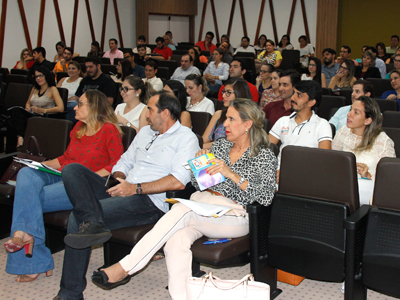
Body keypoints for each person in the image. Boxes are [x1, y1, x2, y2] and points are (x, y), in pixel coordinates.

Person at [89, 98, 277, 300]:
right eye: (225, 118)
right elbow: (198, 184)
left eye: (231, 119)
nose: (225, 124)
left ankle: (126, 267)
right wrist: (201, 165)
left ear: (248, 124)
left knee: (181, 210)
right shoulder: (221, 147)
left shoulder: (264, 155)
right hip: (203, 207)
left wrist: (232, 175)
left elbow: (265, 197)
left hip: (235, 214)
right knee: (175, 241)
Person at [53, 91, 200, 300]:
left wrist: (135, 188)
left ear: (165, 113)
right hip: (121, 188)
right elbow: (123, 161)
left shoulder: (186, 138)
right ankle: (93, 220)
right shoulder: (145, 133)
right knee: (72, 170)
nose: (146, 115)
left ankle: (70, 294)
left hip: (149, 201)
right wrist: (119, 180)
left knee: (78, 218)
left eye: (149, 109)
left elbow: (177, 180)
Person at [4, 90, 124, 283]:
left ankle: (27, 245)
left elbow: (117, 166)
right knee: (27, 174)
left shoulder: (109, 129)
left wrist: (86, 175)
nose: (75, 107)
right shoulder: (78, 127)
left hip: (84, 186)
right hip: (61, 175)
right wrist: (40, 166)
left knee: (28, 198)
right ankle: (24, 234)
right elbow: (65, 159)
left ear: (93, 107)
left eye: (81, 104)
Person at [332, 96, 395, 205]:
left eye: (356, 112)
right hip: (341, 187)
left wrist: (368, 175)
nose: (349, 114)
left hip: (368, 193)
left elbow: (390, 179)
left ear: (368, 120)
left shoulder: (383, 141)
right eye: (350, 109)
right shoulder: (343, 132)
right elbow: (331, 161)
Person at [269, 80, 332, 181]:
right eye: (294, 93)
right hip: (277, 174)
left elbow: (323, 160)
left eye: (299, 95)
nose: (293, 98)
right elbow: (266, 147)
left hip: (306, 177)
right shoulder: (283, 121)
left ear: (311, 102)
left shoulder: (322, 125)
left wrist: (289, 172)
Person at [8, 67, 64, 149]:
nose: (38, 78)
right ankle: (17, 142)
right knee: (14, 113)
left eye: (41, 76)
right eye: (36, 77)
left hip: (44, 116)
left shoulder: (52, 89)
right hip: (32, 114)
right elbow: (28, 103)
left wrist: (42, 110)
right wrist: (27, 108)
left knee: (15, 122)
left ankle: (20, 141)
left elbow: (60, 108)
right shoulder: (35, 88)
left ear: (46, 76)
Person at [202, 78, 251, 149]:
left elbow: (233, 144)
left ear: (239, 94)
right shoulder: (219, 114)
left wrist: (202, 147)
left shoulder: (247, 117)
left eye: (229, 92)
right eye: (224, 92)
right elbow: (204, 140)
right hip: (212, 154)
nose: (223, 96)